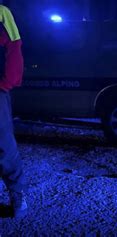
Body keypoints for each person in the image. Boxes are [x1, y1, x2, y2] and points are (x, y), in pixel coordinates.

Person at [0, 5, 27, 218]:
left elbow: (14, 46)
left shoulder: (1, 12)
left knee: (3, 144)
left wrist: (6, 82)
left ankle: (17, 194)